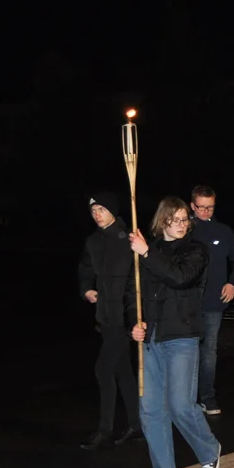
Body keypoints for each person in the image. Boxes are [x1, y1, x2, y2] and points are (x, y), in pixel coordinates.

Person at [128, 198, 222, 468]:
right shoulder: (149, 251)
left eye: (185, 219)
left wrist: (145, 253)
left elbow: (179, 277)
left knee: (181, 404)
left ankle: (209, 452)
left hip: (182, 336)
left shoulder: (195, 251)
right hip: (153, 336)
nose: (182, 224)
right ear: (163, 220)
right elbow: (135, 292)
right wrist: (136, 321)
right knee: (151, 407)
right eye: (176, 219)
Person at [77, 192, 141, 450]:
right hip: (105, 315)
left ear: (113, 210)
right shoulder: (93, 241)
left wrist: (135, 318)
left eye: (101, 209)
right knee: (122, 370)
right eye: (93, 211)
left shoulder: (129, 238)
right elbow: (85, 269)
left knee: (103, 369)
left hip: (124, 318)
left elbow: (136, 282)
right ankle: (136, 426)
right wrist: (86, 289)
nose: (97, 214)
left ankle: (105, 429)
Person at [189, 185, 234, 416]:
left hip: (214, 301)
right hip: (187, 302)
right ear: (192, 206)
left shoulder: (222, 231)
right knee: (187, 350)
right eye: (200, 207)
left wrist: (232, 282)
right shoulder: (183, 228)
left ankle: (207, 396)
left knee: (209, 350)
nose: (205, 212)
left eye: (209, 207)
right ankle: (184, 398)